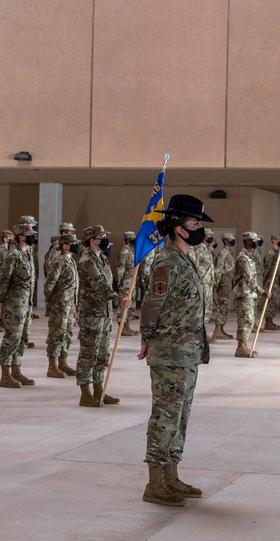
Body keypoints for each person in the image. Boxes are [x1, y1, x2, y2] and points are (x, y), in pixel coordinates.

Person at [138, 194, 212, 506]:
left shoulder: (184, 259)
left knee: (180, 416)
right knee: (165, 416)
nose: (200, 230)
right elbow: (152, 304)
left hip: (186, 352)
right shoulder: (167, 261)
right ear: (179, 227)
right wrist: (146, 337)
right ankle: (155, 482)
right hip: (169, 352)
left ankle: (171, 474)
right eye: (196, 223)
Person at [75, 225, 129, 407]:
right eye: (101, 236)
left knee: (102, 354)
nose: (105, 239)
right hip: (92, 314)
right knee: (88, 354)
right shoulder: (87, 260)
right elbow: (100, 285)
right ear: (92, 240)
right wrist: (118, 299)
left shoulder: (102, 259)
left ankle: (100, 391)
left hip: (104, 313)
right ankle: (85, 393)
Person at [0, 221, 37, 388]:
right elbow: (3, 279)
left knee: (23, 337)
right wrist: (2, 301)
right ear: (21, 237)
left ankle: (16, 369)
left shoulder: (27, 254)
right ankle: (5, 374)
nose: (33, 237)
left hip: (26, 302)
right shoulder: (13, 255)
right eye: (30, 235)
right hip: (14, 302)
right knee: (12, 337)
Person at [44, 232, 78, 378]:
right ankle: (52, 366)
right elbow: (50, 284)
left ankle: (63, 362)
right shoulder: (59, 261)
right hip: (60, 304)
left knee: (67, 334)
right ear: (65, 246)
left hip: (70, 304)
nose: (76, 246)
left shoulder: (71, 261)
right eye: (73, 243)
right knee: (56, 335)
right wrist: (50, 300)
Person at [233, 232, 269, 358]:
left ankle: (243, 345)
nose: (256, 242)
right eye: (254, 240)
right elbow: (249, 279)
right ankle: (240, 347)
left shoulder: (249, 257)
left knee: (249, 320)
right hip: (244, 294)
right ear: (248, 241)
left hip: (248, 294)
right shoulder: (243, 258)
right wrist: (262, 292)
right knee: (245, 320)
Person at [190, 228, 216, 342]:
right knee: (200, 312)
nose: (211, 237)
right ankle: (197, 335)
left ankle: (203, 334)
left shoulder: (206, 250)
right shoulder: (198, 249)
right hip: (202, 286)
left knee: (207, 311)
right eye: (209, 235)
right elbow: (196, 268)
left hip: (208, 286)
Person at [212, 232, 236, 340]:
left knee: (225, 307)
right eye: (231, 239)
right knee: (222, 307)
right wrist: (216, 284)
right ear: (226, 241)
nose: (232, 241)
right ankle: (217, 330)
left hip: (228, 282)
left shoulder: (229, 252)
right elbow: (218, 269)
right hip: (223, 283)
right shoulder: (223, 253)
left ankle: (221, 329)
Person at [116, 231, 138, 336]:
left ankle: (127, 325)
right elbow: (120, 269)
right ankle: (122, 327)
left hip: (132, 283)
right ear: (128, 240)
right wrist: (120, 283)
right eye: (132, 238)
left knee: (131, 306)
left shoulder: (132, 251)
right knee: (123, 306)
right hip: (125, 283)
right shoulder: (124, 252)